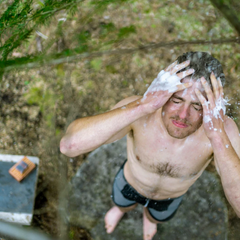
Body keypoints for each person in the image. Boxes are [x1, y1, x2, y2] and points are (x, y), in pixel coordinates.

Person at [60, 52, 240, 240]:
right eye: (176, 100)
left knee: (157, 217)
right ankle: (120, 209)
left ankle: (151, 220)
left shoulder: (222, 130)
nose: (183, 114)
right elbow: (69, 145)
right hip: (129, 184)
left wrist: (217, 137)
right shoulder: (139, 111)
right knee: (122, 203)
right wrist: (142, 106)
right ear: (165, 91)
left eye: (197, 106)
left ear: (213, 106)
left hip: (170, 198)